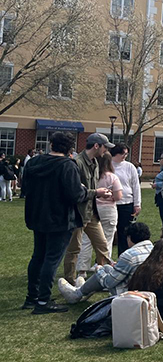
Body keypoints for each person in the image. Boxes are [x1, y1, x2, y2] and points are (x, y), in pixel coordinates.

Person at [22, 132, 89, 314]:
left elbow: (25, 188)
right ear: (70, 148)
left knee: (38, 256)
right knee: (51, 259)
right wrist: (87, 191)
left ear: (51, 144)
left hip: (37, 215)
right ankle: (43, 302)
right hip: (60, 218)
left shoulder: (34, 163)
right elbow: (75, 195)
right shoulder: (67, 166)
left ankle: (32, 297)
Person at [63, 133, 115, 286]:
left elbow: (89, 189)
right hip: (77, 214)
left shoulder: (95, 163)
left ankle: (105, 279)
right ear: (97, 146)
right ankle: (70, 283)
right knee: (74, 249)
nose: (106, 151)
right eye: (105, 147)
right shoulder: (76, 163)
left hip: (91, 213)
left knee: (102, 246)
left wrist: (99, 194)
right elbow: (75, 192)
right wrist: (96, 193)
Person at [58, 222, 153, 303]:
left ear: (129, 238)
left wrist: (98, 270)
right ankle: (82, 290)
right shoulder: (154, 249)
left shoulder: (129, 255)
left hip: (130, 293)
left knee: (103, 271)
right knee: (108, 268)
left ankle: (77, 294)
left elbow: (109, 283)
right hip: (148, 291)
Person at [77, 153, 122, 278]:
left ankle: (82, 270)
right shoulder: (112, 177)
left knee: (86, 240)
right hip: (108, 209)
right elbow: (118, 196)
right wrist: (110, 195)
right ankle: (101, 267)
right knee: (106, 239)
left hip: (92, 208)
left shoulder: (93, 176)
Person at [110, 143, 142, 254]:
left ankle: (123, 255)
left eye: (126, 154)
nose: (124, 156)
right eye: (122, 153)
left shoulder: (129, 166)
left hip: (126, 202)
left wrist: (137, 204)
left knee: (124, 232)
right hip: (110, 203)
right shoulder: (108, 165)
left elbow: (136, 185)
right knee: (108, 232)